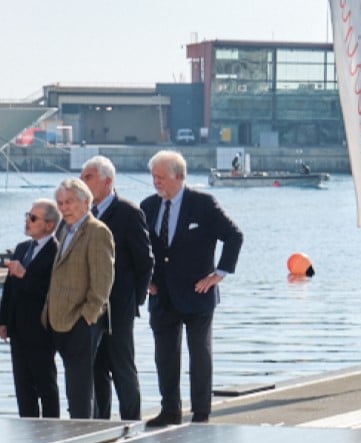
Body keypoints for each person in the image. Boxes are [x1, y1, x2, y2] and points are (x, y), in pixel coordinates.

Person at [140, 149, 243, 426]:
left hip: (198, 293)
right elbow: (138, 249)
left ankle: (201, 413)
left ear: (179, 176)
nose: (156, 182)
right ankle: (170, 410)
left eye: (161, 177)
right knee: (165, 357)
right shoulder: (148, 206)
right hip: (161, 295)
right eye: (153, 177)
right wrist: (145, 281)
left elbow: (234, 236)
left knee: (200, 355)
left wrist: (218, 274)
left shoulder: (203, 204)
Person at [82, 156, 153, 420]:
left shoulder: (128, 212)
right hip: (89, 306)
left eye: (88, 177)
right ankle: (101, 423)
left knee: (122, 366)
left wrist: (135, 300)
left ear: (107, 181)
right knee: (95, 367)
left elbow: (145, 262)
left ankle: (131, 421)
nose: (82, 182)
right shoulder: (82, 214)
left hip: (119, 307)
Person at [44, 178, 115, 419]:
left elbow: (102, 281)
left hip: (82, 323)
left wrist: (88, 317)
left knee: (80, 388)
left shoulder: (97, 231)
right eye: (61, 203)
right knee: (74, 385)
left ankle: (83, 437)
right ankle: (81, 430)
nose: (64, 208)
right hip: (59, 320)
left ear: (86, 202)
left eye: (70, 202)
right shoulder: (65, 229)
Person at [0, 199, 61, 418]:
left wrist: (24, 275)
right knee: (22, 385)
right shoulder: (23, 248)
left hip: (41, 328)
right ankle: (27, 426)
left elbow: (50, 290)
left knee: (45, 382)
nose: (28, 221)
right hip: (18, 327)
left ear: (49, 225)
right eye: (27, 215)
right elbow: (9, 288)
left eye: (33, 218)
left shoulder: (56, 251)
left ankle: (52, 427)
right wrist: (3, 320)